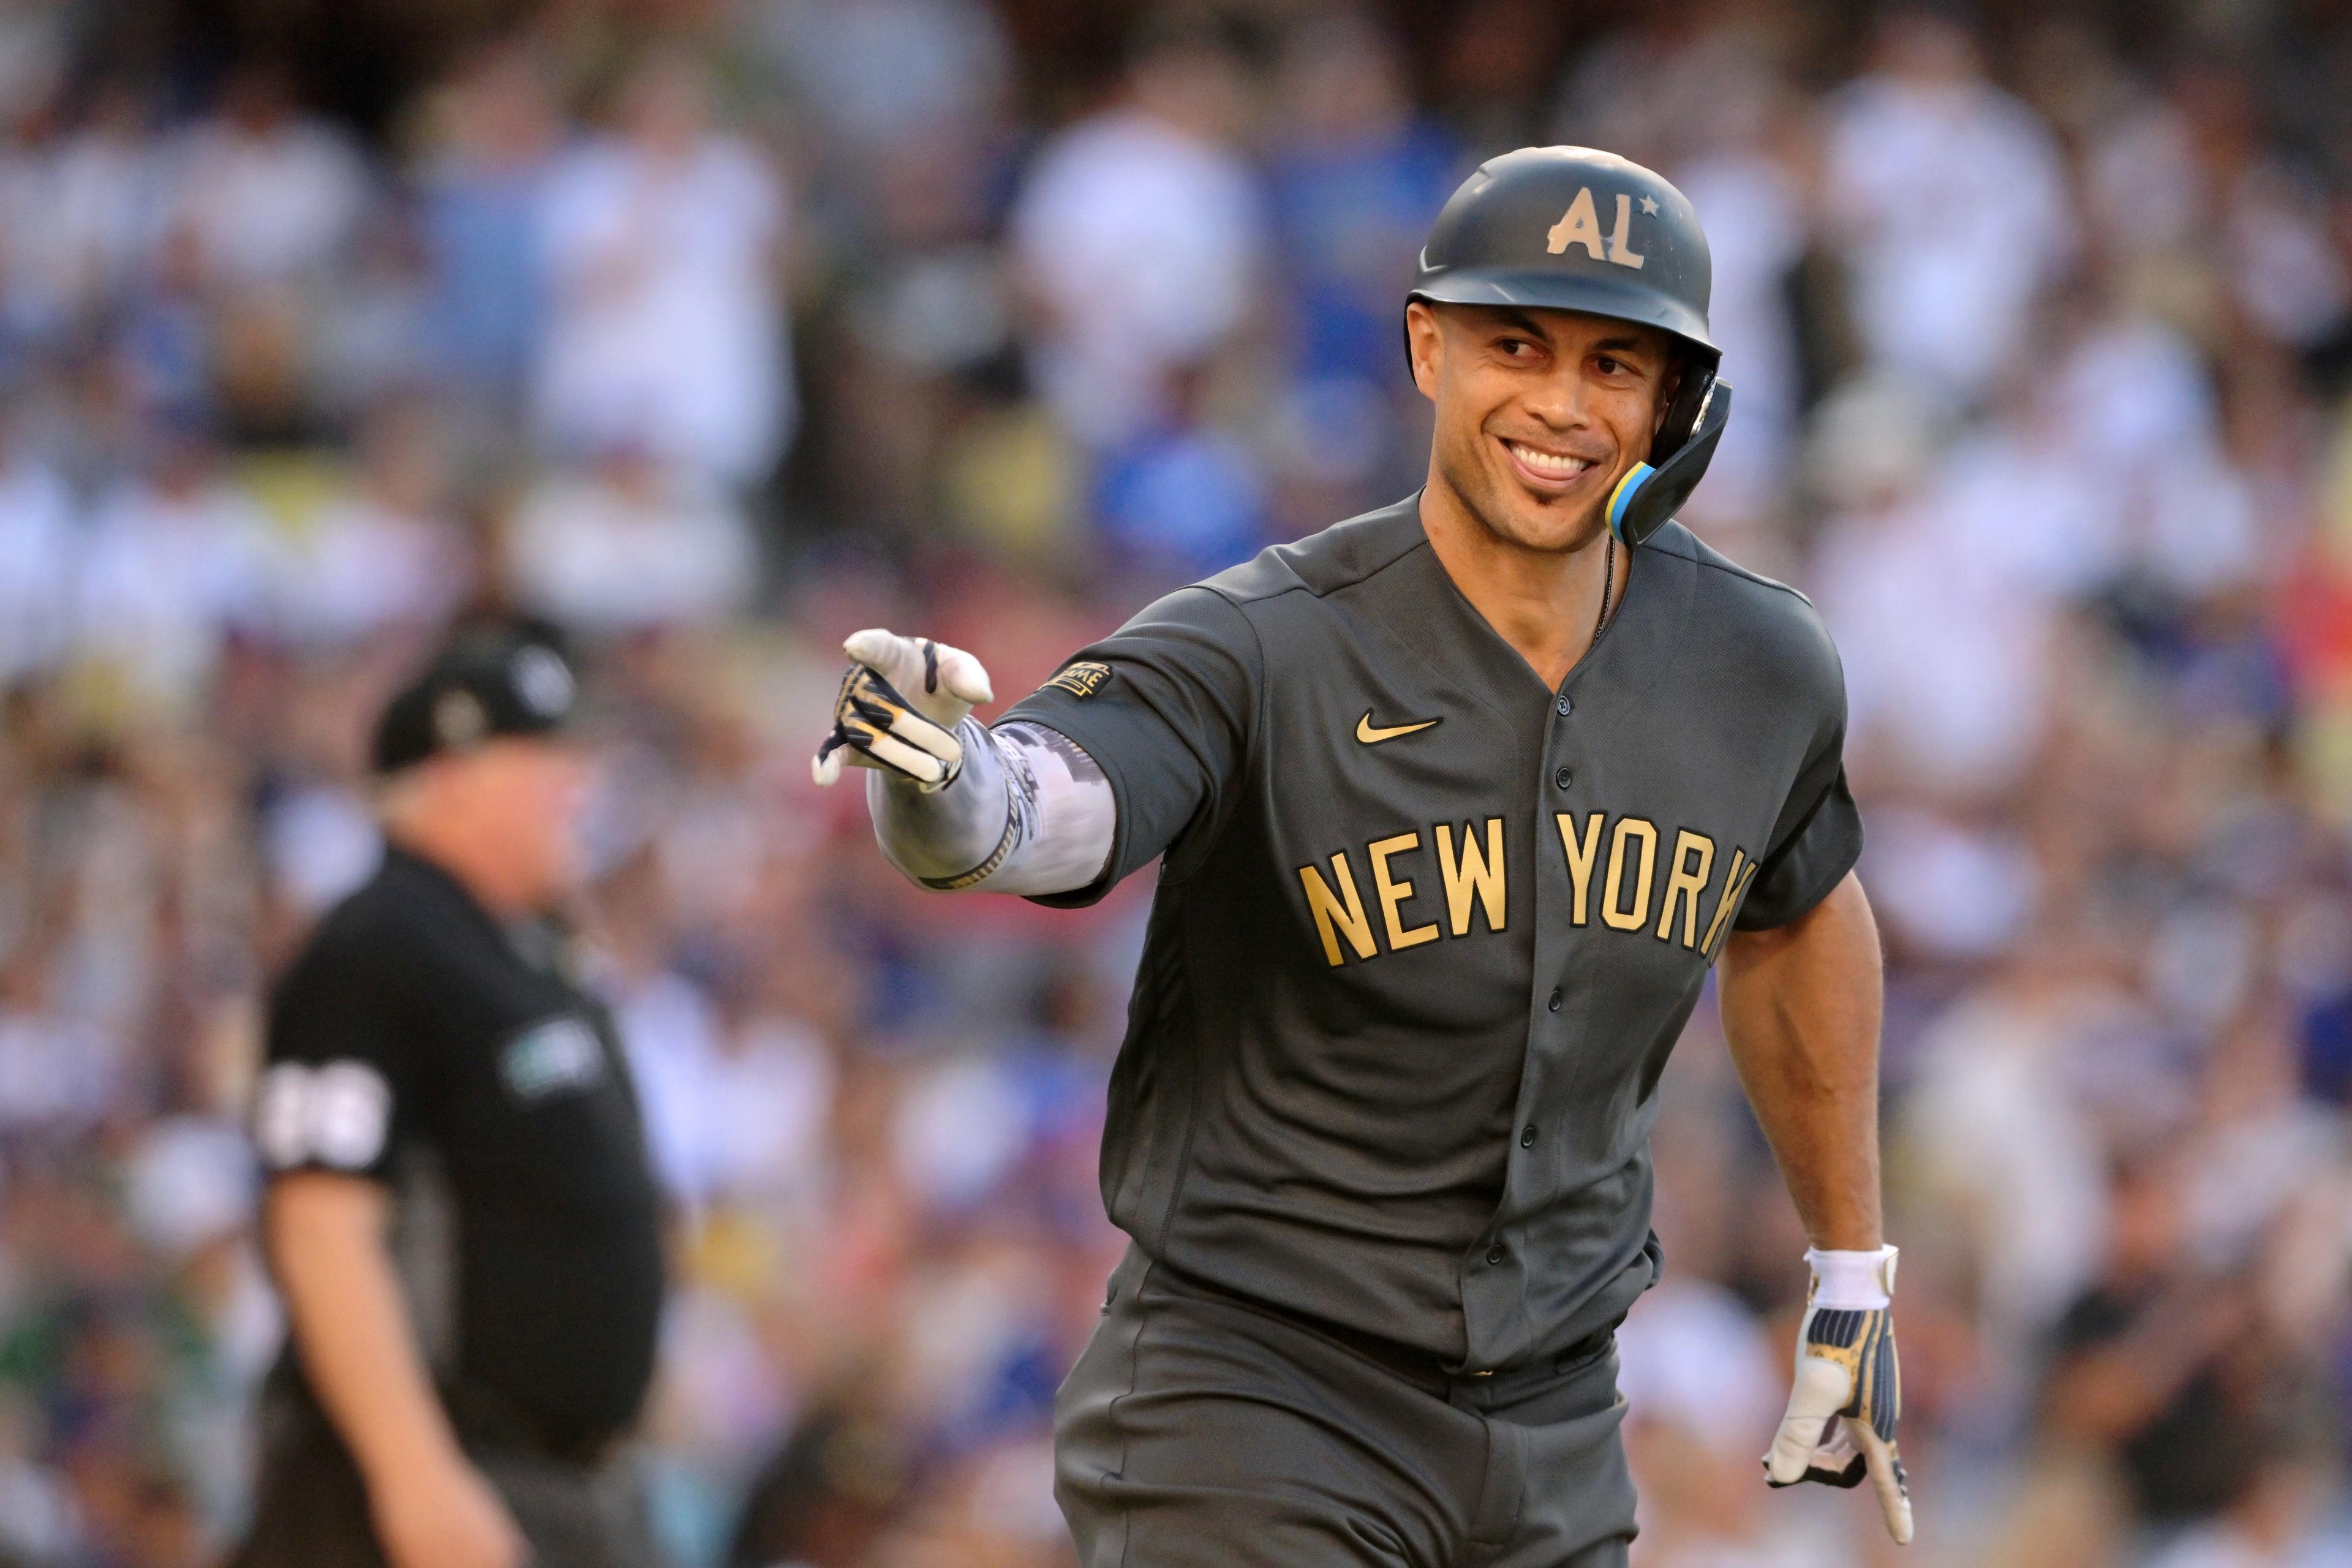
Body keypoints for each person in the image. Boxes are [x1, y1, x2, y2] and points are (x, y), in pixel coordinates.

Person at [813, 146, 1912, 1565]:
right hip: (1257, 1393)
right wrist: (949, 782)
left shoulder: (1760, 664)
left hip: (1557, 1421)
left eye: (1616, 364)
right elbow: (1055, 803)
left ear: (1680, 403)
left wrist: (1846, 1268)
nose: (1564, 404)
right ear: (1427, 347)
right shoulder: (1265, 637)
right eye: (1517, 343)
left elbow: (1798, 909)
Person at [234, 624, 666, 1568]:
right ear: (455, 774)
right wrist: (414, 1477)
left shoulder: (525, 952)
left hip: (559, 1488)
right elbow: (320, 1225)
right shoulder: (377, 948)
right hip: (435, 1481)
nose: (577, 786)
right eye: (547, 758)